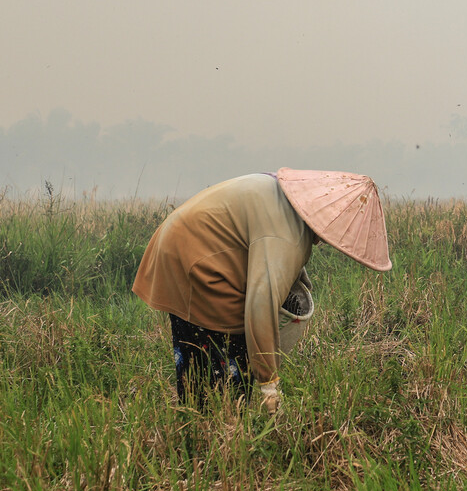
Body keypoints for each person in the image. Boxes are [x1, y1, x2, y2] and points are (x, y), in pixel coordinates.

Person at [131, 168, 392, 414]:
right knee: (229, 370)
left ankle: (194, 433)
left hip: (176, 245)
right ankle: (220, 435)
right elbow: (260, 307)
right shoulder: (286, 235)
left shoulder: (282, 194)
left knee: (196, 368)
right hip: (199, 262)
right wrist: (269, 384)